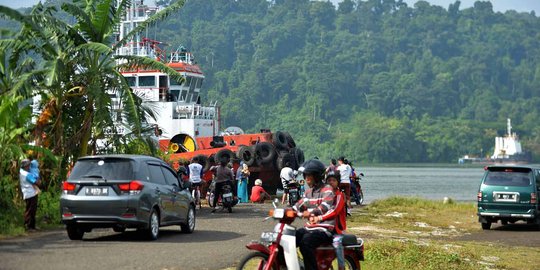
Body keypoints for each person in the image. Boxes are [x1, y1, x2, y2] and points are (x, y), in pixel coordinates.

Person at [293, 159, 336, 270]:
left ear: (317, 176)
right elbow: (299, 204)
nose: (306, 178)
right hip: (310, 228)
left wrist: (310, 212)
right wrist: (287, 211)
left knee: (305, 242)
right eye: (305, 175)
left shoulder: (327, 190)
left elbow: (324, 207)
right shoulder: (308, 192)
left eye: (309, 175)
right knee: (288, 238)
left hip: (324, 229)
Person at [311, 170, 347, 270]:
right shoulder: (325, 195)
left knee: (336, 243)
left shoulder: (339, 195)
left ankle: (341, 267)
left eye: (333, 180)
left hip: (337, 229)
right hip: (324, 227)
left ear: (338, 182)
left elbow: (334, 211)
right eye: (329, 180)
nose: (331, 182)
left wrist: (319, 217)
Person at [19, 158, 40, 231]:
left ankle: (32, 226)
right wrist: (38, 177)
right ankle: (28, 226)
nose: (29, 167)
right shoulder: (27, 174)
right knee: (30, 210)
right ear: (25, 166)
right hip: (30, 194)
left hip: (28, 193)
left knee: (31, 210)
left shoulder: (21, 172)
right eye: (28, 166)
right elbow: (36, 182)